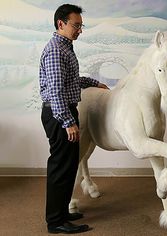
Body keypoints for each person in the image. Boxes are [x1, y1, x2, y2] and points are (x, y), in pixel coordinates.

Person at [39, 4, 108, 234]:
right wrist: (68, 122)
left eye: (81, 25)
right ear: (61, 24)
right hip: (59, 114)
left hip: (65, 111)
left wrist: (93, 83)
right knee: (60, 167)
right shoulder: (56, 50)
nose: (80, 30)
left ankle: (61, 212)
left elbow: (70, 80)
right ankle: (55, 222)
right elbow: (56, 92)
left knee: (69, 166)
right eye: (76, 25)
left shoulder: (65, 47)